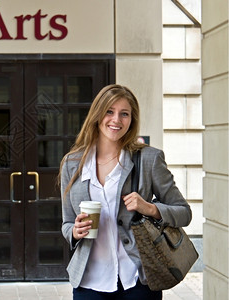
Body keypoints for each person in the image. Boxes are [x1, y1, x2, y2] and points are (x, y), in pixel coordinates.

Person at [59, 84, 192, 300]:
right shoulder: (71, 164)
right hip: (89, 281)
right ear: (97, 115)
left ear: (132, 120)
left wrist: (149, 208)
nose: (116, 120)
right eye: (109, 111)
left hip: (138, 279)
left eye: (124, 114)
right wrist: (75, 232)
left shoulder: (148, 159)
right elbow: (66, 223)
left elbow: (184, 212)